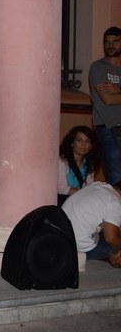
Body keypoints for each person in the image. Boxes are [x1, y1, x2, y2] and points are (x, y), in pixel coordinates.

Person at [89, 26, 121, 186]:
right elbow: (108, 99)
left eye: (115, 41)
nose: (111, 45)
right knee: (116, 179)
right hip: (108, 129)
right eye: (107, 42)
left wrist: (118, 90)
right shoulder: (98, 67)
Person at [62, 181, 121, 267]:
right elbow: (111, 238)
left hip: (62, 235)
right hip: (77, 246)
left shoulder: (98, 185)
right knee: (114, 241)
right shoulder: (116, 203)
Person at [58, 126, 99, 205]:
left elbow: (88, 187)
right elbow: (62, 189)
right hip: (61, 201)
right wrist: (85, 194)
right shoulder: (62, 161)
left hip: (78, 200)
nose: (83, 144)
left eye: (87, 141)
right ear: (72, 143)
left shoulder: (89, 164)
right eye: (79, 140)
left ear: (91, 146)